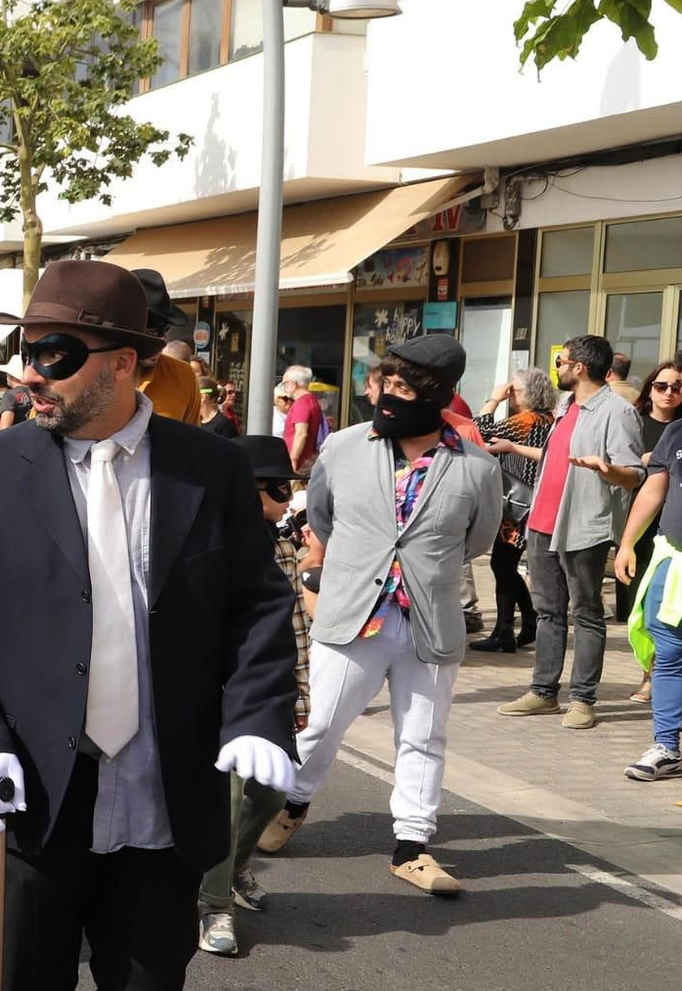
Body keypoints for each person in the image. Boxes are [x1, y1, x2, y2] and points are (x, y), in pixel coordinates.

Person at [0, 259, 299, 991]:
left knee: (146, 983)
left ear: (123, 363)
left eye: (53, 353)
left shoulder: (209, 466)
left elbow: (258, 605)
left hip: (165, 776)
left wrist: (256, 716)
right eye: (22, 350)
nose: (28, 374)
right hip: (41, 776)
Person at [260, 335, 502, 895]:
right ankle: (290, 804)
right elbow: (321, 515)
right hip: (354, 614)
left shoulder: (475, 469)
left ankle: (412, 845)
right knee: (319, 723)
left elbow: (477, 539)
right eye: (386, 385)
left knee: (423, 734)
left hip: (428, 620)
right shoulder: (344, 449)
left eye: (403, 389)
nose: (389, 397)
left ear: (437, 395)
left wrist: (421, 566)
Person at [198, 435, 312, 956]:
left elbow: (294, 627)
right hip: (214, 687)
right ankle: (212, 905)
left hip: (268, 688)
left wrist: (299, 692)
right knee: (229, 794)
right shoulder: (208, 540)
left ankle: (236, 866)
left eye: (289, 487)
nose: (287, 498)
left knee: (269, 790)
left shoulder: (282, 543)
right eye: (275, 487)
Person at [496, 334, 644, 729]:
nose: (556, 368)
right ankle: (544, 692)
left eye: (561, 361)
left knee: (587, 612)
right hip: (544, 523)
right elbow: (553, 461)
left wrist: (606, 469)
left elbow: (634, 475)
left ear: (580, 367)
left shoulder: (617, 411)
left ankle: (583, 699)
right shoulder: (565, 406)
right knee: (548, 612)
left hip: (583, 526)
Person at [616, 340, 682, 780]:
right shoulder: (678, 432)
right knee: (670, 659)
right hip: (676, 567)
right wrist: (625, 543)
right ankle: (666, 747)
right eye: (676, 382)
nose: (681, 389)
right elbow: (654, 490)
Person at [468, 368, 556, 653]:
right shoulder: (550, 421)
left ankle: (507, 629)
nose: (510, 394)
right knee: (505, 565)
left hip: (515, 508)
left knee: (503, 565)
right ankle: (523, 623)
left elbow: (475, 431)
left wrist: (493, 399)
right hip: (535, 503)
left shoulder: (523, 422)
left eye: (514, 390)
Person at [619, 362, 682, 633]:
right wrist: (641, 460)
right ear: (649, 389)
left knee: (667, 598)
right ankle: (647, 665)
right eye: (661, 386)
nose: (668, 393)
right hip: (637, 516)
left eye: (676, 387)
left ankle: (656, 667)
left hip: (673, 520)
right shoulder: (633, 422)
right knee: (637, 594)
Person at [130, 270, 199, 423]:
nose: (162, 341)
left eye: (165, 330)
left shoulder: (183, 376)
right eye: (151, 332)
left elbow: (193, 442)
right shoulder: (95, 373)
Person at [282, 365, 330, 475]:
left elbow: (301, 433)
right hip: (307, 462)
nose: (284, 387)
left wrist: (293, 460)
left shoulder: (302, 403)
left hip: (299, 464)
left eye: (285, 383)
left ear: (293, 384)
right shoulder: (311, 400)